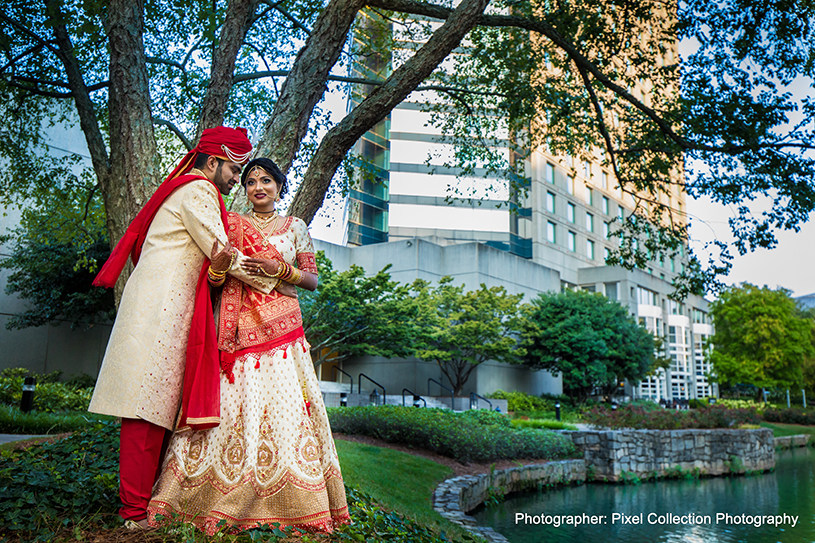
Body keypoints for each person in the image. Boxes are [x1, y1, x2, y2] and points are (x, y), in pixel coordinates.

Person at [89, 128, 283, 529]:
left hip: (166, 308)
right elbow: (222, 254)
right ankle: (135, 514)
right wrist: (278, 281)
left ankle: (141, 509)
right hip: (160, 310)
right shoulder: (198, 191)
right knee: (145, 408)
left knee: (155, 407)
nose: (237, 180)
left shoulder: (190, 189)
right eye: (234, 169)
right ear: (213, 162)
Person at [148, 158, 350, 534]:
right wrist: (220, 270)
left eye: (267, 181)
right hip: (237, 327)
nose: (259, 187)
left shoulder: (296, 228)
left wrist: (282, 272)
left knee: (285, 410)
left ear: (279, 185)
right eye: (252, 181)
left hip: (283, 334)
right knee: (230, 408)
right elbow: (215, 273)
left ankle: (293, 505)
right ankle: (201, 498)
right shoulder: (230, 224)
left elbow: (311, 279)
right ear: (245, 189)